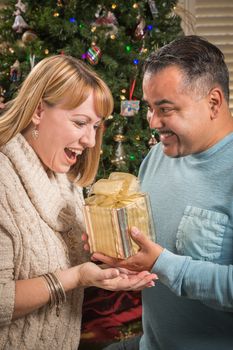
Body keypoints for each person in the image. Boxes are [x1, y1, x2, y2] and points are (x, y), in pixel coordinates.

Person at [0, 55, 157, 350]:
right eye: (80, 122)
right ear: (38, 111)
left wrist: (113, 264)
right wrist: (77, 277)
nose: (89, 140)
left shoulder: (66, 178)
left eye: (95, 126)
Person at [93, 35, 233, 350]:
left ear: (213, 102)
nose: (153, 122)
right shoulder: (158, 156)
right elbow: (145, 245)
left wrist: (162, 264)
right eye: (149, 108)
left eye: (165, 109)